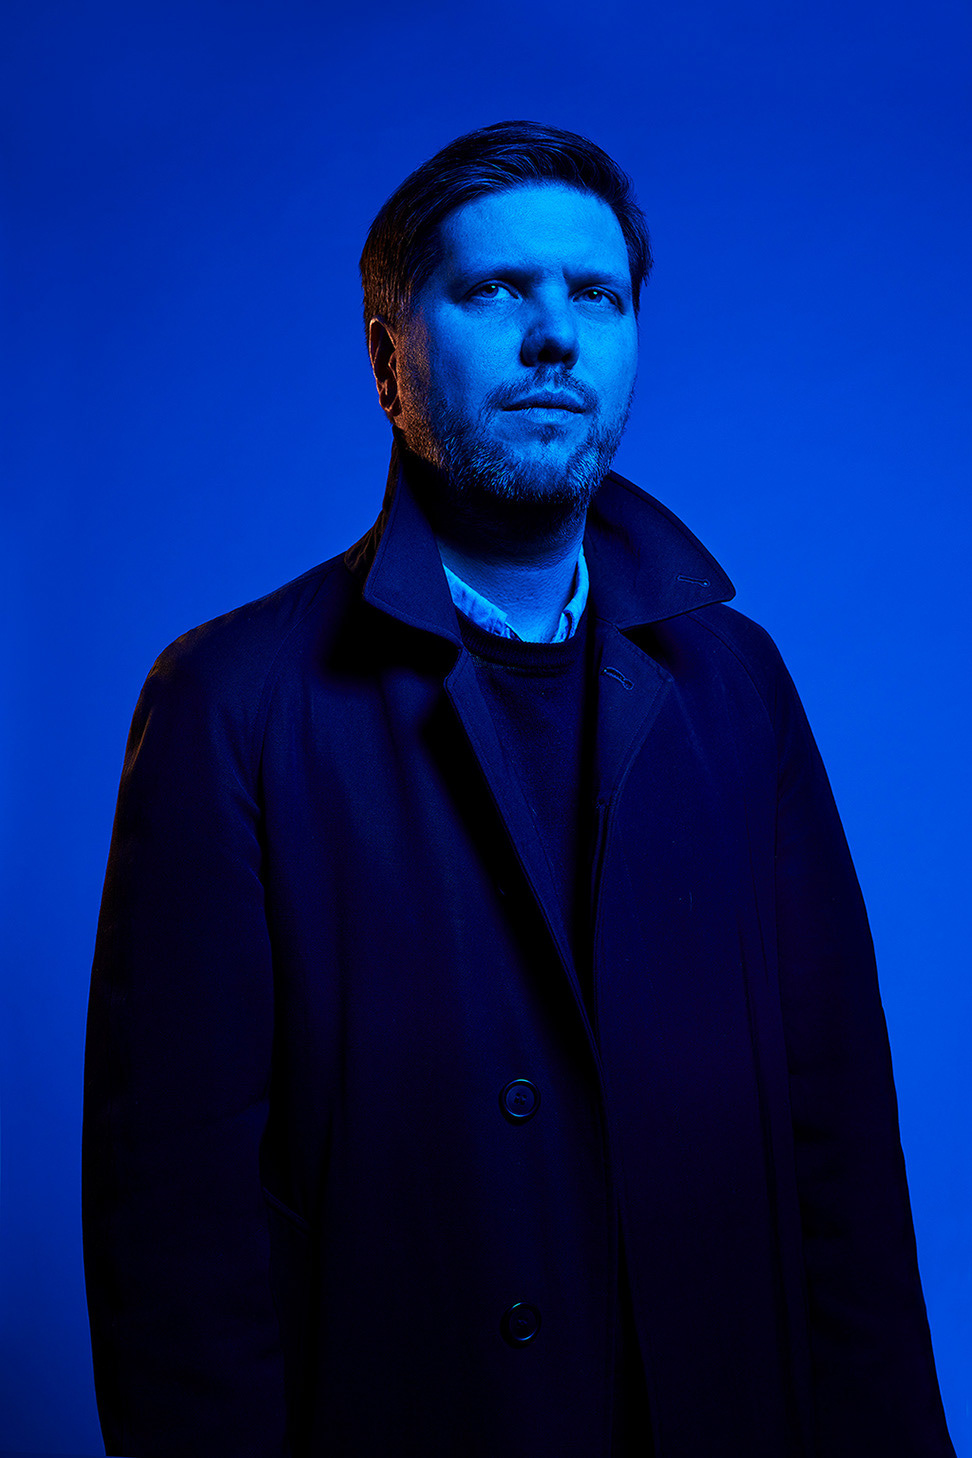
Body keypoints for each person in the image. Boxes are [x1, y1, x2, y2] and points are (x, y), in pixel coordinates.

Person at [82, 120, 955, 1458]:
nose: (556, 336)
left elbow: (844, 1163)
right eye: (497, 290)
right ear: (389, 357)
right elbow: (177, 1247)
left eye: (597, 296)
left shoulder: (740, 684)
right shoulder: (229, 702)